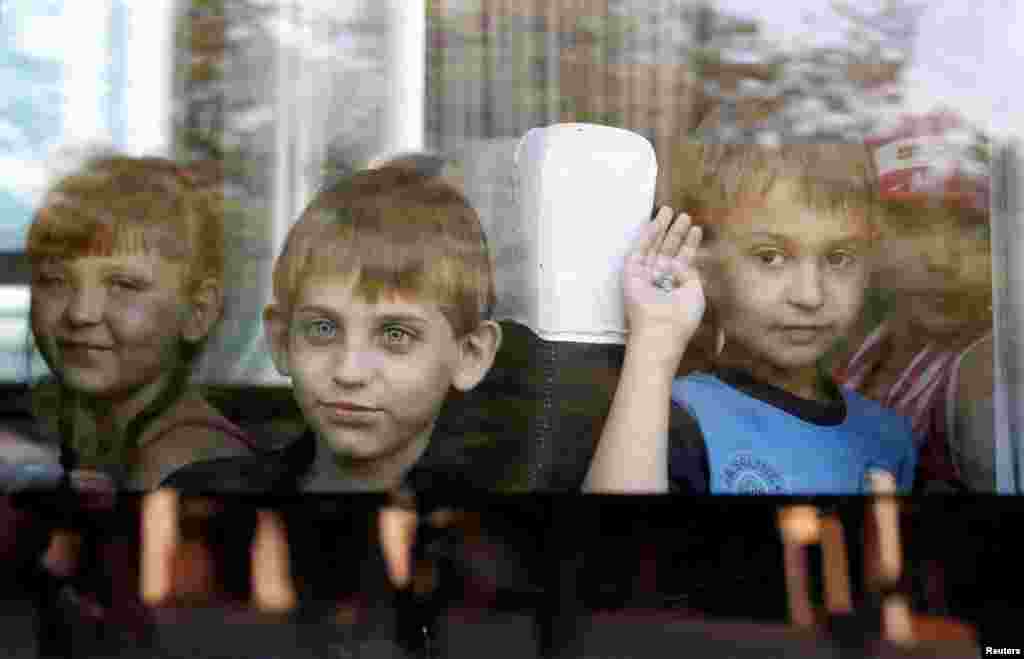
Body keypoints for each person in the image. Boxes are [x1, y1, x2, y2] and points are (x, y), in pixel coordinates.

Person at [584, 142, 917, 494]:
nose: (810, 295)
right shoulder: (670, 420)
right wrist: (654, 339)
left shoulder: (888, 439)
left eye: (838, 258)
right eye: (770, 256)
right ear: (704, 266)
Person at [26, 155, 254, 491]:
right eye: (55, 280)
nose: (80, 312)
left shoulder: (179, 464)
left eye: (123, 285)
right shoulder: (79, 432)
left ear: (198, 312)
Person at [837, 188, 994, 492]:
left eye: (970, 225)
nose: (941, 260)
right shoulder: (860, 348)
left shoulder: (986, 371)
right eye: (911, 224)